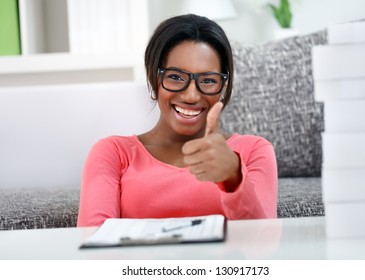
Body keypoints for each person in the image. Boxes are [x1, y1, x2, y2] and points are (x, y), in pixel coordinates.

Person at [77, 14, 278, 227]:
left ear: (224, 86)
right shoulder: (113, 153)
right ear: (154, 78)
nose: (191, 95)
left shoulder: (254, 151)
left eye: (208, 80)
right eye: (175, 77)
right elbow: (93, 246)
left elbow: (263, 245)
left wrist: (234, 177)